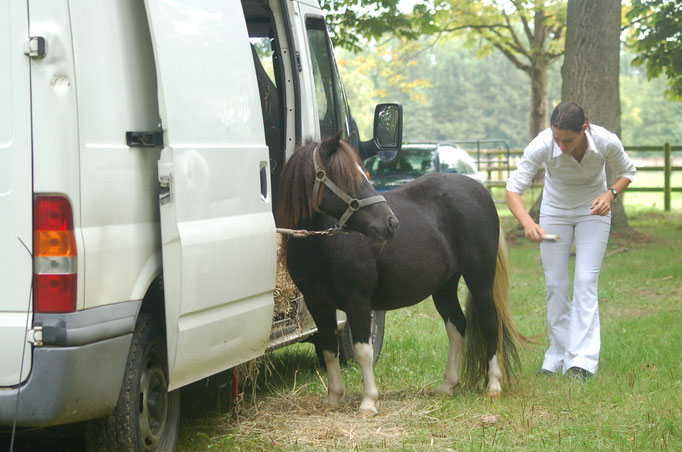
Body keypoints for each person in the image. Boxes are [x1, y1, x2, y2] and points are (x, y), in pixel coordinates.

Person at [505, 102, 636, 380]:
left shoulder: (605, 141)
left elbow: (628, 171)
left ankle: (582, 362)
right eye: (557, 139)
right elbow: (512, 191)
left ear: (584, 128)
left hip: (593, 212)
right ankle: (557, 355)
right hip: (554, 211)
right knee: (556, 284)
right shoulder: (542, 145)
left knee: (585, 282)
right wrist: (529, 224)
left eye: (569, 140)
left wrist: (610, 194)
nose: (562, 146)